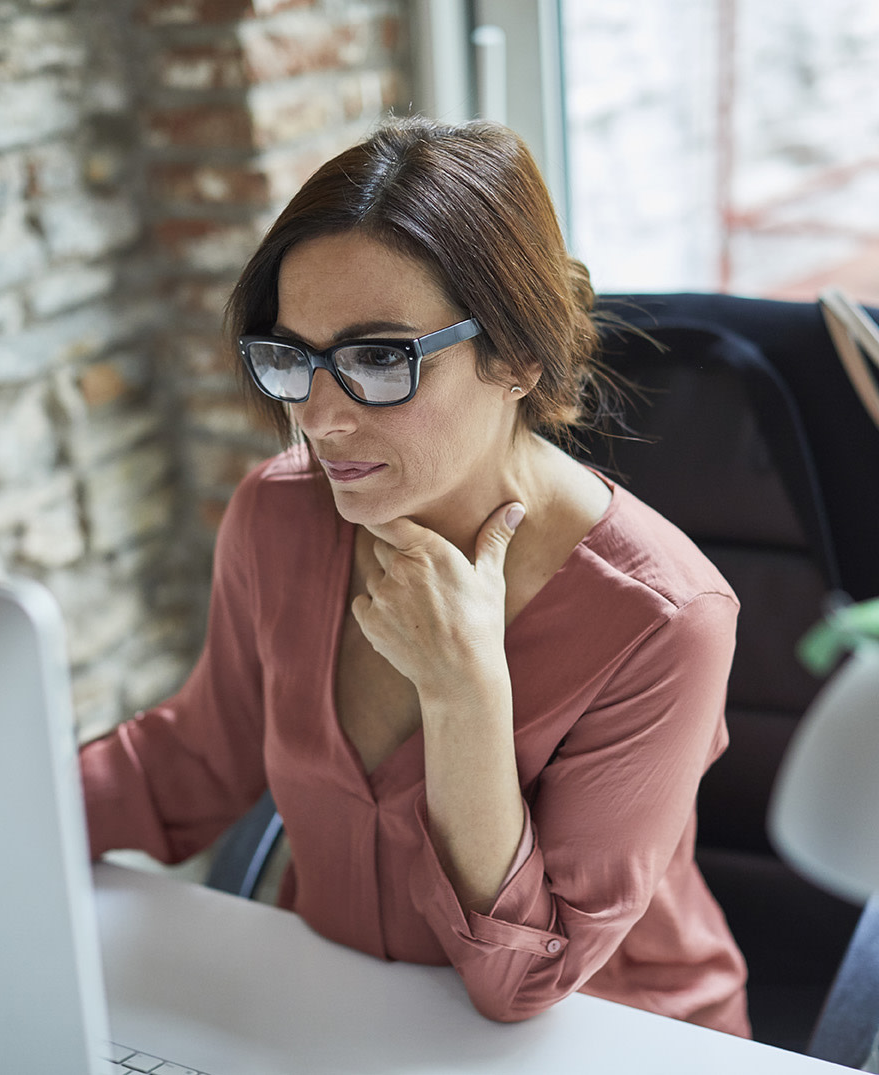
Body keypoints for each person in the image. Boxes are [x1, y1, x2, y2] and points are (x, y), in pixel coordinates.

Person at [79, 116, 749, 1035]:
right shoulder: (278, 516)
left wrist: (463, 690)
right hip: (342, 1015)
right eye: (293, 357)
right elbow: (198, 759)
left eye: (376, 358)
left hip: (612, 1034)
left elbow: (522, 983)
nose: (319, 416)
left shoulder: (666, 619)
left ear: (517, 356)